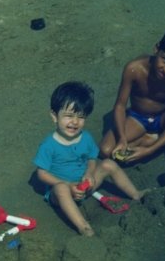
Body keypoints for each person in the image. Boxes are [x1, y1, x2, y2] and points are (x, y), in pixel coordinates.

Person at [33, 81, 150, 237]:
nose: (75, 122)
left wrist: (89, 174)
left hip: (85, 185)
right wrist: (67, 185)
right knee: (60, 189)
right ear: (54, 116)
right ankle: (84, 227)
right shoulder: (49, 145)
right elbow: (41, 173)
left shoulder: (86, 137)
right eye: (68, 116)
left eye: (81, 117)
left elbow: (92, 159)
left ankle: (136, 194)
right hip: (62, 193)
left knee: (108, 164)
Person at [99, 24, 165, 162]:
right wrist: (122, 139)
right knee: (106, 151)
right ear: (156, 49)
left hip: (163, 119)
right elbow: (120, 106)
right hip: (138, 117)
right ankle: (151, 139)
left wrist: (148, 152)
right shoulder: (134, 69)